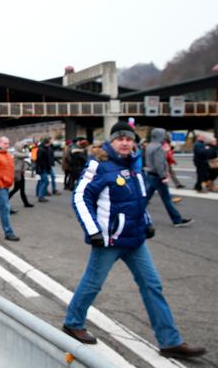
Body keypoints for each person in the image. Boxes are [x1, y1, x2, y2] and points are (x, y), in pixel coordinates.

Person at [63, 121, 206, 360]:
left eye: (129, 139)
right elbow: (80, 197)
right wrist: (93, 231)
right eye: (120, 138)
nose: (125, 143)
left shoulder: (135, 163)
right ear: (111, 141)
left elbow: (138, 199)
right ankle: (72, 322)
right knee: (93, 284)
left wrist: (147, 221)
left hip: (135, 239)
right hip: (109, 240)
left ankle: (170, 342)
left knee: (152, 286)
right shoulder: (99, 164)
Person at [144, 128, 193, 227]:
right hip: (158, 176)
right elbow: (159, 163)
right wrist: (163, 176)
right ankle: (177, 220)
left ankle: (134, 216)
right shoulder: (158, 147)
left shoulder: (149, 146)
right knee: (167, 200)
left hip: (150, 175)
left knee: (144, 199)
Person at [9, 141, 33, 208]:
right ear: (18, 147)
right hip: (17, 174)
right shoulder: (16, 153)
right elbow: (27, 155)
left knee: (22, 189)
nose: (22, 147)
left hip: (20, 173)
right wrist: (27, 148)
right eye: (21, 146)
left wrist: (25, 147)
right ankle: (5, 200)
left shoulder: (19, 152)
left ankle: (26, 203)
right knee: (16, 189)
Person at [36, 137, 52, 202]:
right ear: (46, 143)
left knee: (42, 182)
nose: (50, 144)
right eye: (49, 143)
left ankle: (40, 195)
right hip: (42, 169)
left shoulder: (43, 148)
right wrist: (42, 169)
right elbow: (40, 161)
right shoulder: (42, 149)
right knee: (45, 181)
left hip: (43, 168)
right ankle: (41, 196)